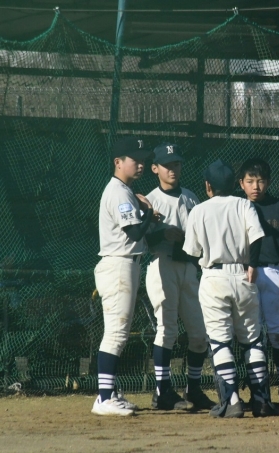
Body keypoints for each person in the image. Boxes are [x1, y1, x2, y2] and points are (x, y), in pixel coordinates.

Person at [183, 159, 279, 418]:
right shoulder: (244, 204)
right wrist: (253, 265)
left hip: (214, 277)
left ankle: (232, 401)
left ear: (208, 186)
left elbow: (192, 252)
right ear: (234, 184)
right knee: (253, 340)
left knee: (220, 341)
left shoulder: (198, 211)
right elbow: (257, 237)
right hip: (243, 275)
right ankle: (261, 401)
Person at [92, 137, 159, 416]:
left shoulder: (124, 190)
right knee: (116, 334)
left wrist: (144, 212)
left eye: (142, 159)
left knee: (117, 333)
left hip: (124, 265)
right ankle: (104, 398)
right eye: (134, 159)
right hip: (119, 265)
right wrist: (149, 212)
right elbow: (134, 233)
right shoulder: (119, 192)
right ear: (118, 162)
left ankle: (109, 393)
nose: (140, 164)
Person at [145, 142, 214, 411]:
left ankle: (193, 390)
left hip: (188, 267)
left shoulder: (191, 197)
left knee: (199, 333)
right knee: (167, 330)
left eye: (176, 164)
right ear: (155, 168)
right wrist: (162, 234)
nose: (173, 169)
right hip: (161, 264)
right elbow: (137, 239)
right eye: (167, 165)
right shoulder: (149, 199)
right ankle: (162, 392)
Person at [238, 158, 279, 409]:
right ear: (241, 183)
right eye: (250, 181)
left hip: (274, 272)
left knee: (278, 332)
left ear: (269, 182)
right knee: (251, 334)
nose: (256, 186)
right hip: (245, 273)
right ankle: (258, 391)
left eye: (261, 181)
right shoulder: (237, 206)